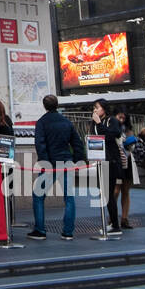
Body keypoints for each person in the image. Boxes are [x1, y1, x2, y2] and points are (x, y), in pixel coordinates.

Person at [29, 95, 85, 241]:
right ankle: (68, 232)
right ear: (57, 105)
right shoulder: (66, 122)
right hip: (66, 162)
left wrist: (45, 163)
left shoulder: (41, 122)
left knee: (38, 196)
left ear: (44, 106)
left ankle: (40, 230)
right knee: (69, 198)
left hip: (50, 164)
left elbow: (40, 145)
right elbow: (77, 143)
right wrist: (78, 160)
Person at [92, 100, 124, 232]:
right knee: (105, 193)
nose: (95, 110)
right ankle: (113, 222)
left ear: (104, 109)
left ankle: (115, 224)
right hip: (99, 159)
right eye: (94, 108)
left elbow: (111, 135)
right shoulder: (94, 122)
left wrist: (99, 123)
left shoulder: (111, 120)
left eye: (97, 108)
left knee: (109, 193)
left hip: (111, 160)